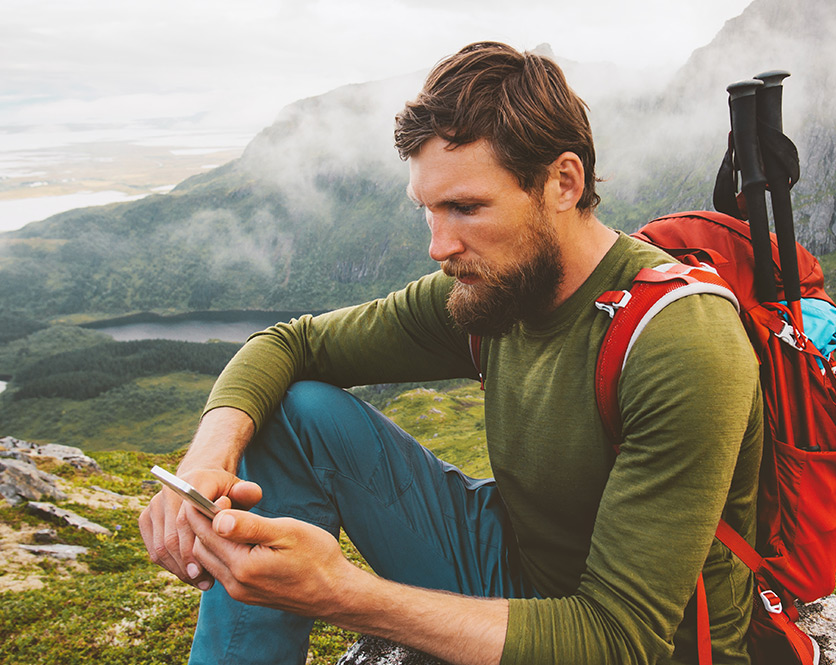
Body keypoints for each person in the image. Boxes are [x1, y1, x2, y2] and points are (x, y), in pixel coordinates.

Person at [138, 41, 763, 665]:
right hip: (514, 564)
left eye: (466, 207)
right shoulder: (498, 287)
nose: (439, 246)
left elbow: (620, 642)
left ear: (562, 184)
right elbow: (289, 343)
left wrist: (340, 594)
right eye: (428, 211)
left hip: (628, 641)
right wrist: (206, 459)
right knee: (292, 409)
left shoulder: (680, 342)